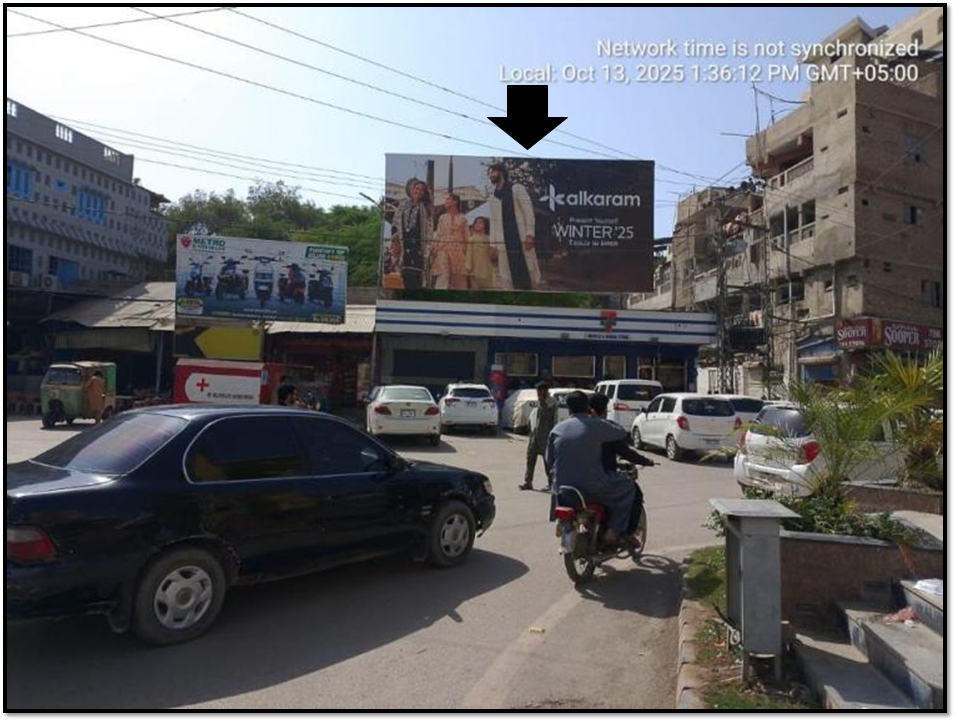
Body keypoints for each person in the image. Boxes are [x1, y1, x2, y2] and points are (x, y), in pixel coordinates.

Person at [546, 390, 635, 545]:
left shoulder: (557, 429)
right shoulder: (596, 424)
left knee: (557, 483)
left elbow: (549, 461)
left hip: (563, 489)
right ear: (588, 407)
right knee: (628, 486)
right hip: (593, 487)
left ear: (569, 408)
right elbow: (621, 432)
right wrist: (596, 417)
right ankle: (613, 531)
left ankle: (561, 522)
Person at [589, 392, 654, 534]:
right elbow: (625, 452)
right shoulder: (607, 429)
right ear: (604, 410)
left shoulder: (573, 427)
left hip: (574, 484)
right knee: (633, 492)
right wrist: (645, 461)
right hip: (601, 480)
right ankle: (621, 532)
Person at [486, 163, 542, 290]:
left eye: (493, 172)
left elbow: (528, 212)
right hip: (503, 240)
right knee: (506, 276)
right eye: (490, 173)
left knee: (528, 271)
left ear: (501, 172)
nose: (491, 175)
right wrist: (493, 244)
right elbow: (493, 222)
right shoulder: (493, 197)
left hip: (519, 236)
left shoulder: (516, 188)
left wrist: (530, 234)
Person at [392, 178, 432, 290]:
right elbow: (395, 224)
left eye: (421, 190)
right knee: (404, 277)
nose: (418, 191)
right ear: (412, 189)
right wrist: (395, 242)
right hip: (404, 247)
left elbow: (429, 230)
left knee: (417, 279)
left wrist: (428, 249)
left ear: (424, 193)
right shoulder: (403, 205)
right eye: (417, 188)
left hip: (418, 249)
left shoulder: (425, 208)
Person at [521, 381, 557, 491]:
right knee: (530, 459)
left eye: (540, 391)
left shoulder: (551, 402)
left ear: (545, 391)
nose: (538, 394)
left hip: (546, 437)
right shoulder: (539, 401)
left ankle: (551, 483)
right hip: (535, 436)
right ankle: (528, 482)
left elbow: (547, 416)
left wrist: (543, 402)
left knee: (548, 462)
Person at [431, 193, 469, 289]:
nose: (446, 201)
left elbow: (466, 237)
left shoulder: (462, 218)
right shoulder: (442, 217)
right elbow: (439, 234)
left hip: (458, 251)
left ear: (455, 202)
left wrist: (467, 253)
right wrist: (434, 248)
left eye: (448, 199)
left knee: (458, 279)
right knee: (443, 274)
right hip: (443, 248)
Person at [465, 216, 497, 289]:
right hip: (474, 271)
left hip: (487, 271)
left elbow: (493, 254)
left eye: (480, 222)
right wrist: (468, 267)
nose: (477, 224)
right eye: (476, 222)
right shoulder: (472, 239)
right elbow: (469, 254)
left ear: (485, 225)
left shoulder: (489, 239)